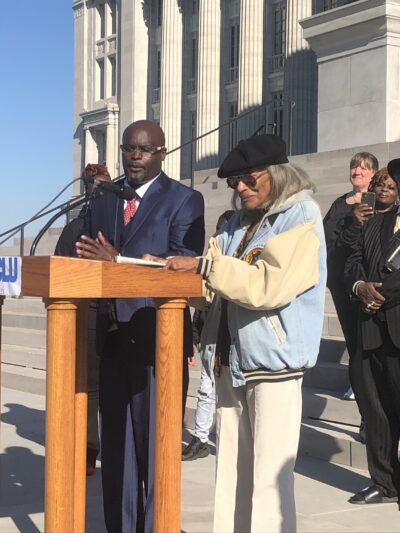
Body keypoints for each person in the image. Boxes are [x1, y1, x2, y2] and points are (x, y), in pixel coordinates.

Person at [148, 134, 327, 532]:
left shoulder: (301, 215)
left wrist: (203, 267)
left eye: (248, 179)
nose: (241, 189)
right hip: (228, 363)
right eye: (233, 184)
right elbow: (213, 287)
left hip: (271, 367)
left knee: (268, 483)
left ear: (277, 173)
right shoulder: (237, 223)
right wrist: (164, 270)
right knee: (229, 475)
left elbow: (269, 285)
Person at [75, 120, 205, 533]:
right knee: (116, 450)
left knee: (154, 446)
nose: (134, 156)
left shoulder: (185, 200)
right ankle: (122, 526)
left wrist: (118, 264)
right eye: (129, 148)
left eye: (144, 150)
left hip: (157, 341)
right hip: (113, 338)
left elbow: (182, 268)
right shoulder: (105, 200)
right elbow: (80, 252)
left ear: (162, 153)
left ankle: (159, 526)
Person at [346, 161, 400, 505]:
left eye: (391, 185)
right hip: (368, 329)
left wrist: (384, 294)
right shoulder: (369, 222)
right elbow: (350, 263)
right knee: (376, 410)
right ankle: (383, 482)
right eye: (381, 183)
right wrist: (360, 286)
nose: (384, 188)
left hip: (396, 324)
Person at [55, 163, 111, 475]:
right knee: (88, 387)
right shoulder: (76, 228)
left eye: (104, 185)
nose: (99, 191)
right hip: (85, 313)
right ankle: (88, 450)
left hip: (116, 312)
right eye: (95, 187)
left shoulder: (116, 224)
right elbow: (60, 271)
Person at [323, 152, 378, 416]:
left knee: (369, 340)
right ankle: (360, 390)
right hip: (342, 281)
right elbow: (326, 240)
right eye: (354, 167)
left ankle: (369, 393)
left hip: (370, 279)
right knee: (353, 338)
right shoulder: (338, 204)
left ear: (373, 173)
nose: (357, 171)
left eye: (364, 168)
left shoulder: (381, 201)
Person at [182, 209, 235, 461]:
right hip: (211, 338)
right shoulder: (210, 263)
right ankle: (201, 437)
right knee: (205, 388)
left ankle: (227, 438)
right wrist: (193, 339)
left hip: (234, 339)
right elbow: (200, 311)